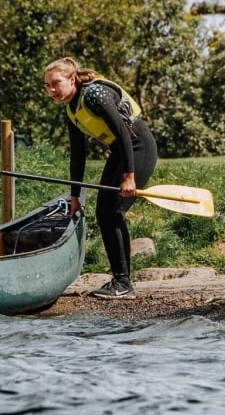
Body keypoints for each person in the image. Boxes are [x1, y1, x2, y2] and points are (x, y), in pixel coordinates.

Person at [43, 56, 157, 300]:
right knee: (103, 212)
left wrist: (129, 177)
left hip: (138, 148)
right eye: (47, 86)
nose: (51, 90)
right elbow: (78, 155)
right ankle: (121, 280)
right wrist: (75, 196)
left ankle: (123, 283)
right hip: (120, 152)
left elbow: (125, 134)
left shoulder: (94, 95)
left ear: (72, 79)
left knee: (112, 212)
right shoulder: (71, 109)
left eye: (56, 83)